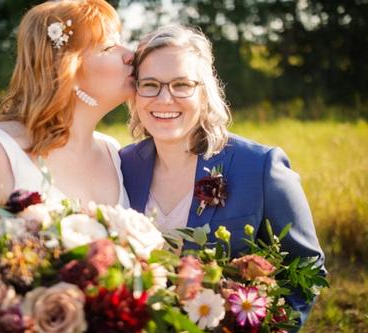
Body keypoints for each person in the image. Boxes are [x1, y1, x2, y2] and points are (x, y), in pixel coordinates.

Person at [0, 0, 134, 331]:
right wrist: (15, 316)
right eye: (108, 46)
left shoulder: (114, 152)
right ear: (67, 67)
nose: (129, 53)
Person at [119, 24, 326, 329]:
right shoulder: (123, 165)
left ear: (205, 92)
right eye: (150, 84)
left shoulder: (260, 166)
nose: (164, 99)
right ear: (135, 93)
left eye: (181, 84)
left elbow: (309, 269)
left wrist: (272, 326)